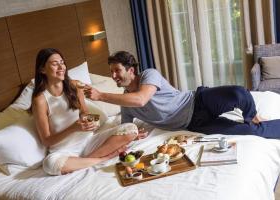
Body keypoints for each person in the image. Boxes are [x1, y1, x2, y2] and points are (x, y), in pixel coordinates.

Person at [84, 51, 280, 139]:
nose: (113, 76)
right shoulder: (124, 102)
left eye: (117, 70)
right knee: (249, 132)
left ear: (131, 70)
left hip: (199, 101)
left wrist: (101, 96)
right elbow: (126, 127)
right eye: (111, 72)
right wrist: (133, 135)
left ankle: (252, 115)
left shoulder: (148, 75)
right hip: (194, 124)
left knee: (238, 93)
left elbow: (142, 98)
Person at [31, 48, 139, 176]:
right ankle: (102, 158)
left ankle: (85, 161)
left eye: (62, 62)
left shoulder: (75, 86)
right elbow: (46, 141)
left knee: (132, 129)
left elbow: (85, 113)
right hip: (64, 151)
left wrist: (91, 122)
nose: (61, 67)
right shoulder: (40, 100)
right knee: (49, 165)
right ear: (42, 69)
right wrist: (74, 128)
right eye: (55, 64)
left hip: (88, 142)